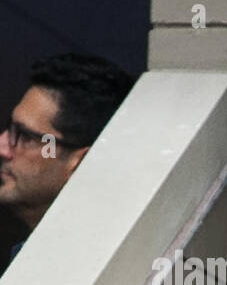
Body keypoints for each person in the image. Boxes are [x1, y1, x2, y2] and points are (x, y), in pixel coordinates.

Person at [0, 53, 134, 269]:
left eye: (25, 136)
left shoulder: (95, 271)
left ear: (80, 163)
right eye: (10, 128)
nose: (2, 147)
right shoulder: (29, 259)